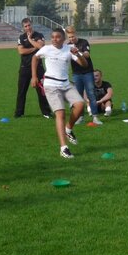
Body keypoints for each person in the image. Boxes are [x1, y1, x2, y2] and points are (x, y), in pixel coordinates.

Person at [31, 27, 87, 158]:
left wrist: (78, 53)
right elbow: (35, 58)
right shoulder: (46, 49)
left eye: (57, 37)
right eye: (52, 37)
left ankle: (68, 129)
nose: (54, 39)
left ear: (64, 39)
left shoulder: (69, 49)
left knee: (80, 105)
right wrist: (34, 76)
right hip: (51, 85)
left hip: (66, 84)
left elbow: (83, 64)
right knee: (60, 114)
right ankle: (64, 147)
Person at [14, 18, 51, 119]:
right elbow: (21, 51)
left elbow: (41, 46)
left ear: (32, 25)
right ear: (23, 27)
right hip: (24, 67)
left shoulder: (39, 35)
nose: (28, 27)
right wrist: (34, 48)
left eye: (29, 25)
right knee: (21, 91)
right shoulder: (21, 37)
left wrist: (30, 40)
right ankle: (19, 113)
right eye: (25, 26)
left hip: (38, 67)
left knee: (41, 90)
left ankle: (46, 112)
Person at [66, 26, 103, 125]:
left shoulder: (84, 42)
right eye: (69, 37)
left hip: (87, 72)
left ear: (76, 33)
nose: (71, 39)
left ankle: (95, 117)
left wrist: (77, 51)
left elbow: (87, 55)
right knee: (78, 96)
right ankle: (80, 117)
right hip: (76, 74)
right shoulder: (67, 46)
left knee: (91, 94)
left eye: (73, 36)